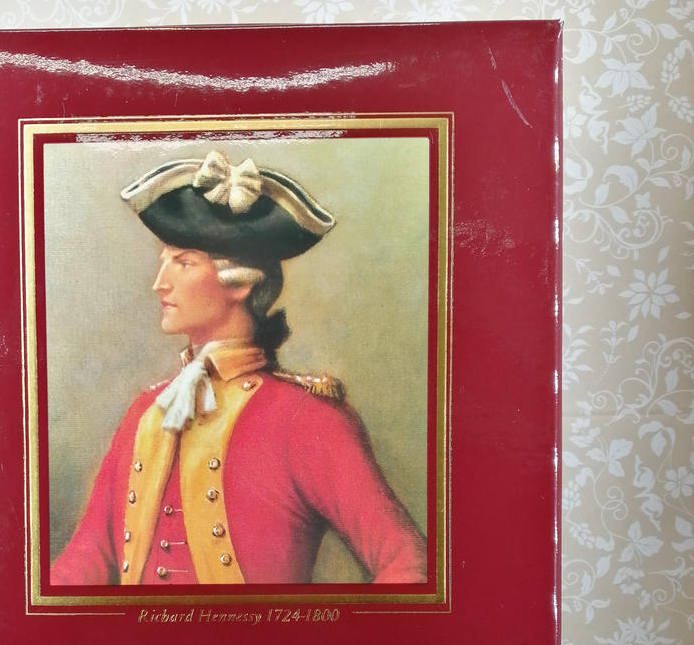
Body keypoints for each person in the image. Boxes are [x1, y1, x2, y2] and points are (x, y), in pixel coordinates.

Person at [50, 150, 427, 587]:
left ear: (241, 283)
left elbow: (408, 563)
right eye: (164, 261)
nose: (160, 283)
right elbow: (82, 564)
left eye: (184, 262)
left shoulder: (306, 419)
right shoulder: (145, 413)